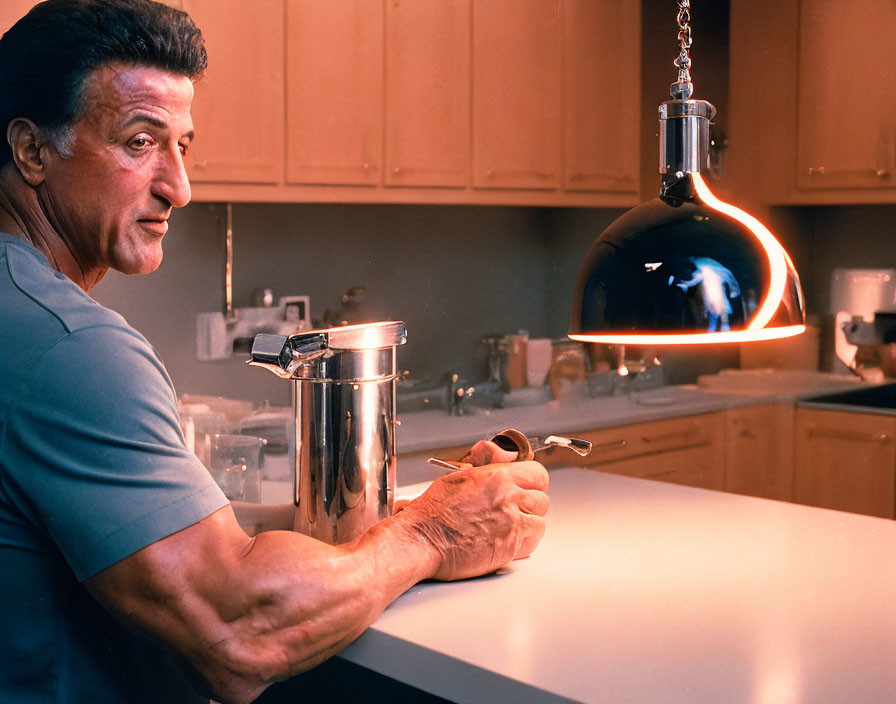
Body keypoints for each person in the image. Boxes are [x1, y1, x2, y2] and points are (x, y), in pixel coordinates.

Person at [0, 2, 549, 703]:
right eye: (139, 143)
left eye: (183, 146)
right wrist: (433, 533)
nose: (178, 187)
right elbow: (242, 631)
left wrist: (374, 528)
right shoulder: (73, 348)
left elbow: (158, 548)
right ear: (32, 151)